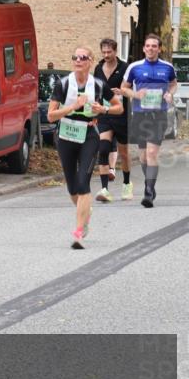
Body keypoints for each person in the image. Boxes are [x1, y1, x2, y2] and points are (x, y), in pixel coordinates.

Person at [47, 46, 123, 249]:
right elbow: (50, 116)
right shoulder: (63, 84)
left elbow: (119, 107)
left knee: (83, 183)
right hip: (65, 135)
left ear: (90, 61)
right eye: (75, 57)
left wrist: (103, 109)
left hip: (89, 135)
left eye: (82, 57)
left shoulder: (98, 85)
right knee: (72, 187)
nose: (78, 60)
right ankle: (85, 214)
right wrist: (73, 106)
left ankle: (79, 232)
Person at [120, 34, 177, 207]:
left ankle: (149, 193)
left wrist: (170, 94)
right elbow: (124, 88)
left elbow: (174, 84)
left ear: (159, 49)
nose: (151, 49)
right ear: (144, 48)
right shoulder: (134, 67)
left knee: (152, 153)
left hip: (158, 115)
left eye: (154, 46)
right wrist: (135, 94)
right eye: (148, 46)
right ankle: (149, 181)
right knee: (143, 157)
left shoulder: (167, 67)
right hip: (139, 115)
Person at [93, 38, 132, 202]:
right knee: (103, 148)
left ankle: (127, 184)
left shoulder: (125, 68)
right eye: (104, 52)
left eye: (109, 52)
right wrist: (93, 114)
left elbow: (132, 89)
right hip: (104, 114)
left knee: (123, 152)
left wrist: (123, 91)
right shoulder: (98, 68)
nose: (106, 55)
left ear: (116, 51)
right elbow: (95, 90)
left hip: (121, 114)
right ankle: (104, 190)